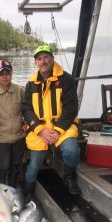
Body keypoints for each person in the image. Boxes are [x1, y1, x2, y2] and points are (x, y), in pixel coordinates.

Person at [22, 44, 81, 195]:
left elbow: (71, 108)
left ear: (52, 59)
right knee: (34, 165)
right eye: (39, 59)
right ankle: (28, 193)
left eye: (46, 57)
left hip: (62, 127)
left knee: (72, 151)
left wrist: (58, 131)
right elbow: (26, 109)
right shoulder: (30, 84)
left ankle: (69, 177)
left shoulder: (66, 79)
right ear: (36, 63)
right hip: (40, 130)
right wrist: (40, 130)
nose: (43, 61)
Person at [0, 60, 25, 188]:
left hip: (19, 137)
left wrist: (27, 122)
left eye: (8, 73)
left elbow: (27, 110)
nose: (5, 76)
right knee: (3, 167)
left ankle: (15, 190)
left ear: (11, 74)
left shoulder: (20, 90)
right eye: (2, 74)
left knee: (16, 166)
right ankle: (2, 191)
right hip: (1, 139)